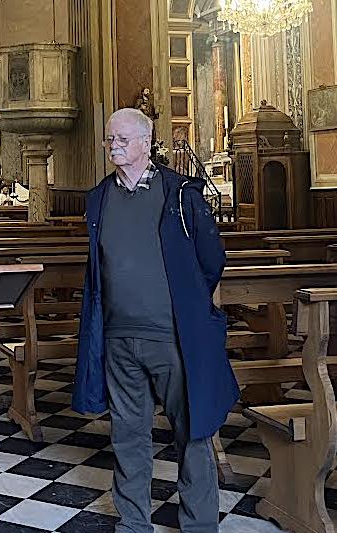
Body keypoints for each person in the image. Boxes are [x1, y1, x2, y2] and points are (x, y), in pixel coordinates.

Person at [72, 107, 239, 532]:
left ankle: (199, 524)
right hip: (118, 337)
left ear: (147, 144)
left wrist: (184, 306)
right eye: (110, 139)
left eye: (123, 139)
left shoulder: (180, 194)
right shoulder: (99, 198)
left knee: (193, 433)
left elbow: (211, 260)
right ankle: (133, 523)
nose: (114, 146)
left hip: (173, 337)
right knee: (128, 436)